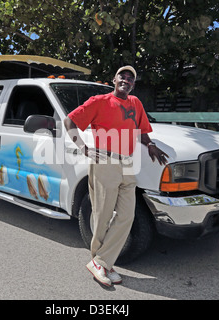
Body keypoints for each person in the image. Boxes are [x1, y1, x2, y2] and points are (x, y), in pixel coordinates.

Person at [63, 66, 169, 286]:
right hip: (105, 162)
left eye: (131, 78)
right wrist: (84, 148)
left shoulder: (135, 103)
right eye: (123, 76)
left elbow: (141, 130)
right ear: (114, 79)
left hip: (127, 163)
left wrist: (151, 145)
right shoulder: (99, 101)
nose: (126, 80)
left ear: (133, 85)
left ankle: (101, 261)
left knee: (126, 216)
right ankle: (101, 263)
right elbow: (69, 122)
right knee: (102, 215)